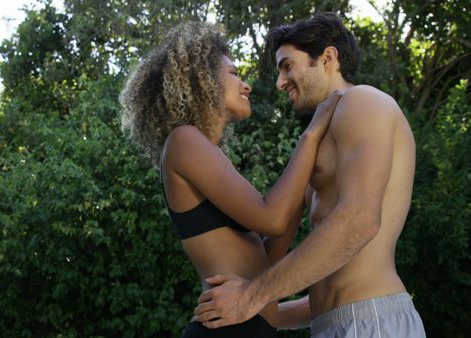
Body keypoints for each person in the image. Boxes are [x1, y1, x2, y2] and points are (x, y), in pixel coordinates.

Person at [194, 12, 427, 337]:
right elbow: (329, 287)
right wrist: (237, 309)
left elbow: (359, 221)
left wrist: (249, 297)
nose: (279, 82)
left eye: (287, 65)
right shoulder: (321, 137)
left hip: (372, 321)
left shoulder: (364, 102)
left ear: (328, 57)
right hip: (335, 323)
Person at [119, 21, 342, 337]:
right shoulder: (184, 141)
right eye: (235, 73)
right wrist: (313, 133)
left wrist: (307, 187)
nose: (246, 85)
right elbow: (273, 217)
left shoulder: (204, 153)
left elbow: (266, 257)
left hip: (248, 325)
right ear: (202, 81)